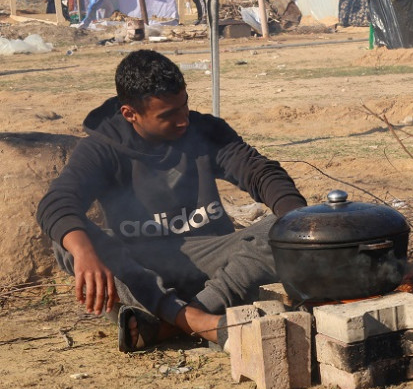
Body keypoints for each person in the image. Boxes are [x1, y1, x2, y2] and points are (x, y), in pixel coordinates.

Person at [37, 49, 308, 351]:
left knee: (280, 230)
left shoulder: (206, 131)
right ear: (130, 114)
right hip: (139, 270)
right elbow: (58, 202)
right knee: (68, 243)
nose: (182, 121)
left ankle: (172, 323)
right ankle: (198, 321)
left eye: (184, 106)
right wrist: (83, 249)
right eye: (167, 115)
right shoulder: (101, 148)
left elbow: (259, 172)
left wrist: (304, 224)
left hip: (212, 262)